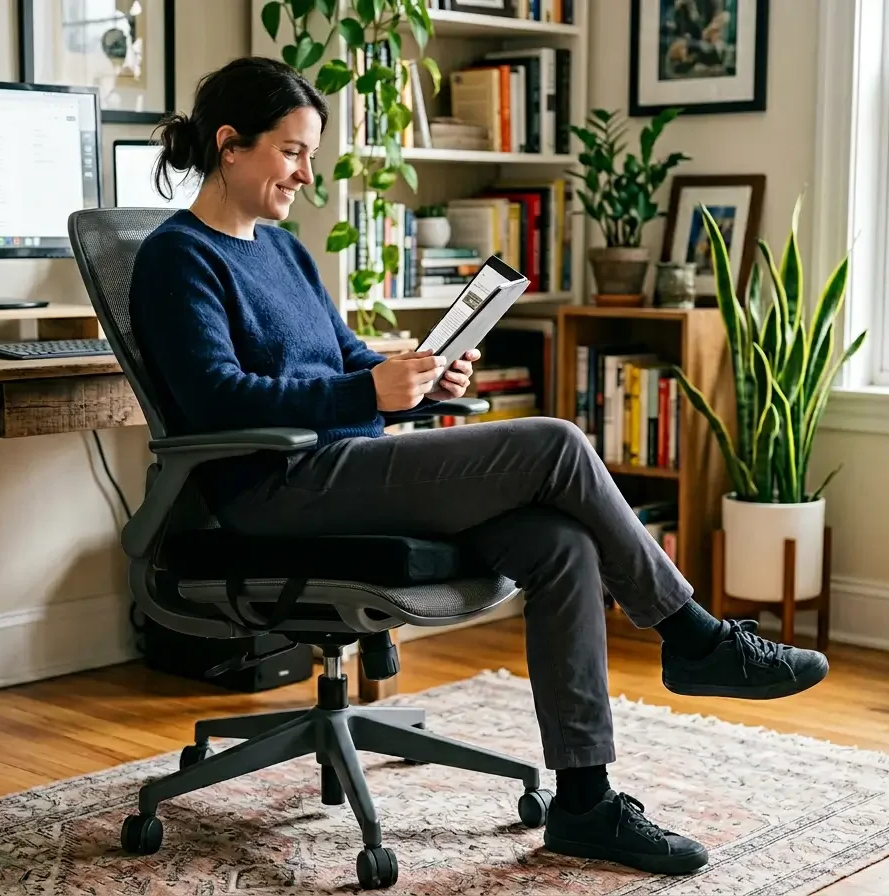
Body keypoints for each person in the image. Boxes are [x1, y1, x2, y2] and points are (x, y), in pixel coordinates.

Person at [128, 56, 829, 877]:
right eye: (292, 152)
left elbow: (350, 364)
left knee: (556, 544)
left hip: (344, 463)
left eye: (310, 155)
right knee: (557, 443)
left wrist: (419, 384)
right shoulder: (178, 258)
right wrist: (366, 389)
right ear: (230, 146)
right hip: (270, 491)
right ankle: (692, 635)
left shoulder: (283, 252)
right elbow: (217, 397)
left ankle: (585, 803)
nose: (306, 174)